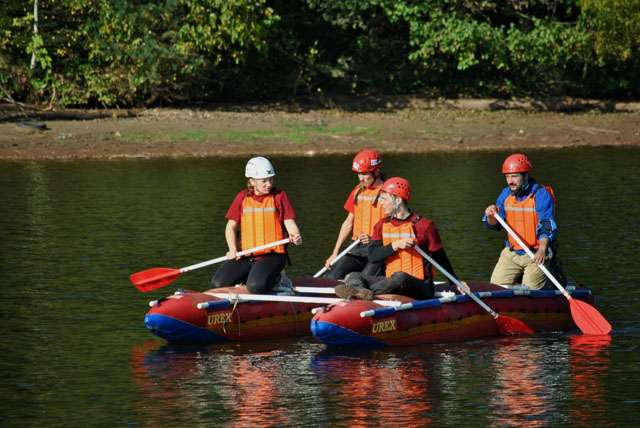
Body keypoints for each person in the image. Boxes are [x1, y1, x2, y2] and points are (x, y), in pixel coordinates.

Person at [335, 177, 459, 300]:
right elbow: (373, 256)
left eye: (384, 199)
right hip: (389, 281)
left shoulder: (425, 226)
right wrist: (395, 245)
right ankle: (361, 292)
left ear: (398, 200)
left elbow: (440, 257)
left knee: (400, 277)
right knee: (354, 276)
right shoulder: (381, 225)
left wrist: (455, 282)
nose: (381, 203)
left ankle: (362, 292)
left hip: (421, 285)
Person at [211, 156, 302, 293]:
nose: (269, 184)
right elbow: (231, 226)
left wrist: (295, 235)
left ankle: (278, 279)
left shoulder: (279, 196)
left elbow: (290, 223)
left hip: (273, 256)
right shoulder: (242, 198)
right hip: (247, 255)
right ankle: (248, 279)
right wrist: (232, 249)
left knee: (255, 286)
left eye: (271, 179)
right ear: (252, 181)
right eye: (264, 181)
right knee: (218, 284)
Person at [483, 153, 563, 289]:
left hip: (536, 252)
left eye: (514, 176)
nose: (510, 181)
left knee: (531, 288)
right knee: (495, 288)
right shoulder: (505, 194)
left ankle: (550, 278)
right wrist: (491, 216)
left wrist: (542, 249)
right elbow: (495, 225)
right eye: (507, 177)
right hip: (512, 252)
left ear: (526, 176)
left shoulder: (541, 195)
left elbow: (546, 227)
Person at [324, 150, 386, 279]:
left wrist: (374, 238)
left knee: (362, 280)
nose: (360, 178)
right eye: (359, 174)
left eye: (364, 174)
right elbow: (348, 223)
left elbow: (396, 226)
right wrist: (335, 253)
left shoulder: (388, 193)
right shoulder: (358, 191)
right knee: (331, 277)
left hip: (379, 249)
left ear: (376, 172)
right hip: (357, 248)